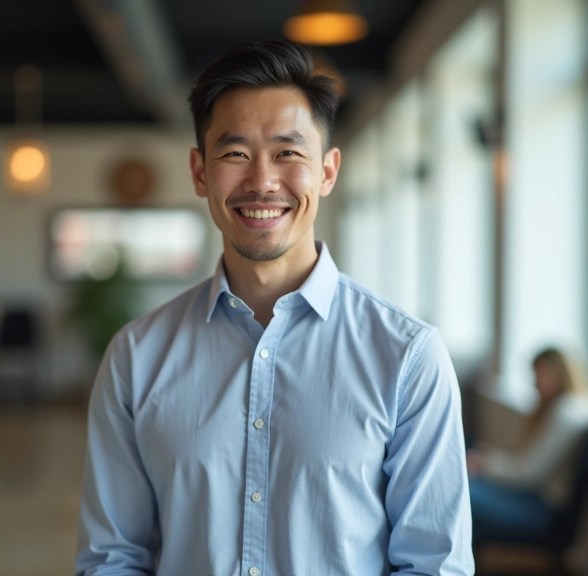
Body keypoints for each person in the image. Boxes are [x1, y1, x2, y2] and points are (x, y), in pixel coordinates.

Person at [74, 40, 473, 575]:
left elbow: (434, 564)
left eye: (289, 152)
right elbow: (111, 557)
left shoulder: (407, 356)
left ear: (328, 172)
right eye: (235, 153)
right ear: (199, 172)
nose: (262, 181)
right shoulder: (136, 357)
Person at [466, 348, 588, 543]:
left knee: (459, 491)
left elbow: (527, 472)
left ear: (558, 374)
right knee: (464, 487)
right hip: (534, 498)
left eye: (539, 375)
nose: (535, 383)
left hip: (541, 509)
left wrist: (483, 464)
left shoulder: (567, 413)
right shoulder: (568, 407)